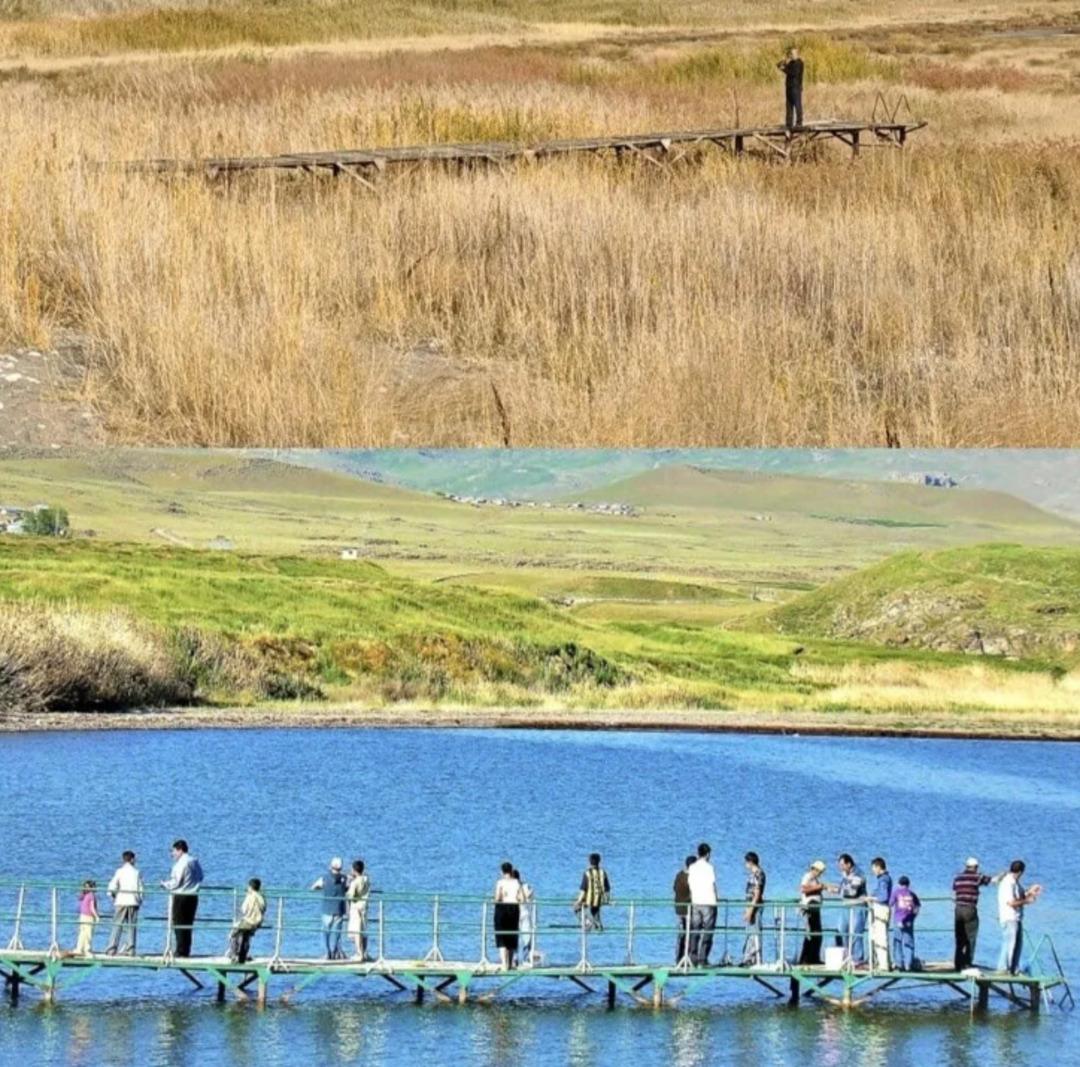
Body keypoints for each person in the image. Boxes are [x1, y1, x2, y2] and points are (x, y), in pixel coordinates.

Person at [953, 857, 1005, 972]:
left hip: (958, 909)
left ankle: (958, 963)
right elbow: (993, 880)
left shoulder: (958, 877)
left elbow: (955, 888)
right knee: (971, 937)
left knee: (960, 937)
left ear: (966, 866)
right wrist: (1002, 875)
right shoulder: (977, 877)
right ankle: (967, 963)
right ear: (976, 867)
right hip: (970, 908)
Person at [997, 860, 1042, 975]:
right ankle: (1005, 969)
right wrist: (1027, 901)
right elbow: (1011, 902)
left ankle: (1012, 968)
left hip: (1016, 918)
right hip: (1009, 917)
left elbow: (1020, 895)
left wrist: (1031, 892)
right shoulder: (1008, 883)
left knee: (1017, 944)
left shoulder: (1015, 883)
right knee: (1010, 944)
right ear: (1021, 872)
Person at [161, 839, 203, 958]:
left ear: (180, 850)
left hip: (181, 895)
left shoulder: (180, 864)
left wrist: (165, 885)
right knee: (188, 923)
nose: (172, 854)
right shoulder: (194, 861)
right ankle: (186, 949)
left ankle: (180, 950)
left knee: (179, 922)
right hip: (193, 895)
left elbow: (177, 882)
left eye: (173, 851)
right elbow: (201, 876)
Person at [105, 850, 144, 957]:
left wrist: (113, 897)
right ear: (132, 859)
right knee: (131, 926)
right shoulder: (136, 872)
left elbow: (112, 887)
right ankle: (130, 949)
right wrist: (140, 900)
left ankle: (111, 948)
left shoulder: (119, 871)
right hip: (133, 901)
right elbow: (140, 889)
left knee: (117, 925)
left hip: (121, 901)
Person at [833, 854, 868, 965]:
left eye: (842, 865)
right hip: (845, 906)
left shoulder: (859, 874)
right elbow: (843, 889)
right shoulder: (845, 874)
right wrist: (834, 889)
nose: (840, 867)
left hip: (858, 906)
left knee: (856, 931)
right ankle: (844, 956)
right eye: (839, 865)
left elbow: (852, 892)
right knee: (841, 930)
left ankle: (857, 958)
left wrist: (838, 890)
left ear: (849, 864)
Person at [687, 842, 718, 967]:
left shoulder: (692, 867)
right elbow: (712, 884)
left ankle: (692, 957)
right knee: (708, 931)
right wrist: (716, 898)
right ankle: (703, 958)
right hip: (708, 902)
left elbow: (690, 884)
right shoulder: (709, 867)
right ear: (708, 854)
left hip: (696, 902)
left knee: (695, 930)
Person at [311, 857, 348, 960]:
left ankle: (327, 952)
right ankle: (335, 951)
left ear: (330, 866)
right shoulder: (345, 878)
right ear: (341, 868)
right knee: (337, 933)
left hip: (327, 909)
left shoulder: (324, 878)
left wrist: (321, 887)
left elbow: (313, 887)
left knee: (325, 932)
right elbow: (347, 888)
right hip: (339, 909)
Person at [228, 878, 266, 964]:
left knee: (233, 933)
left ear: (250, 887)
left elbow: (244, 909)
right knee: (246, 937)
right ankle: (242, 956)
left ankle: (234, 954)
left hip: (249, 921)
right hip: (258, 922)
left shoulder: (250, 896)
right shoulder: (261, 897)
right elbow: (264, 908)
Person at [494, 861, 523, 970]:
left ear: (502, 871)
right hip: (514, 908)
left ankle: (504, 964)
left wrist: (502, 896)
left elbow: (497, 898)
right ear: (511, 871)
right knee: (512, 934)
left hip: (502, 908)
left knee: (501, 936)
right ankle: (510, 963)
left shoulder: (500, 882)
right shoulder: (517, 882)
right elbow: (522, 898)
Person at [888, 876, 921, 971]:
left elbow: (890, 904)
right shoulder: (912, 894)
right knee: (909, 942)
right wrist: (913, 918)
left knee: (897, 941)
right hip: (909, 921)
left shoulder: (896, 892)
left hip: (898, 920)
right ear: (908, 884)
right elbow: (917, 907)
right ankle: (908, 964)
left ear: (899, 884)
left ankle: (899, 963)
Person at [797, 860, 827, 965]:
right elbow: (803, 889)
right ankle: (806, 959)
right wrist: (818, 887)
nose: (820, 873)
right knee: (811, 934)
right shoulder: (808, 876)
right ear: (814, 869)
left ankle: (814, 957)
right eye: (819, 871)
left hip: (815, 908)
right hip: (809, 907)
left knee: (817, 934)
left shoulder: (815, 879)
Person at [573, 853, 611, 932]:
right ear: (599, 861)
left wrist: (578, 901)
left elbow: (583, 890)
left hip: (589, 901)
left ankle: (588, 922)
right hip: (600, 900)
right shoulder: (603, 872)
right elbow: (607, 888)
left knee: (576, 908)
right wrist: (607, 900)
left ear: (589, 862)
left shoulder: (587, 873)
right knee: (595, 912)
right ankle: (597, 924)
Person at [741, 852, 766, 966]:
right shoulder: (753, 874)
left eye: (746, 862)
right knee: (750, 931)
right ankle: (748, 957)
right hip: (750, 904)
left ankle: (754, 958)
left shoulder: (758, 874)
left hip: (755, 906)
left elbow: (757, 894)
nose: (745, 865)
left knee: (755, 931)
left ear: (750, 862)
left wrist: (751, 910)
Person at [869, 857, 893, 970]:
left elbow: (884, 897)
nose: (872, 870)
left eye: (873, 868)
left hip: (881, 909)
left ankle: (883, 965)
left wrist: (872, 898)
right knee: (879, 936)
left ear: (878, 867)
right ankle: (883, 962)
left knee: (881, 936)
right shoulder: (884, 879)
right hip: (882, 908)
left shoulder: (883, 880)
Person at [346, 860, 371, 961]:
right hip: (364, 906)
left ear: (354, 870)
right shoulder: (366, 879)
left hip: (356, 908)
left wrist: (349, 885)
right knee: (364, 930)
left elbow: (351, 896)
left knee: (356, 931)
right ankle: (364, 953)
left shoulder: (354, 883)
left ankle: (358, 953)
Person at [673, 855, 695, 963]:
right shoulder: (691, 878)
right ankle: (687, 956)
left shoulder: (679, 875)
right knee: (688, 933)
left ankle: (679, 957)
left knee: (682, 933)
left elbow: (674, 888)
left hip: (679, 908)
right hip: (688, 909)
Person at [777, 46, 804, 130]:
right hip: (789, 87)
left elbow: (793, 73)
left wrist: (784, 69)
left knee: (797, 105)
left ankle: (799, 122)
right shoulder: (791, 62)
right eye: (790, 54)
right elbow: (778, 65)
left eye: (792, 54)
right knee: (789, 106)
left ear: (797, 54)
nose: (791, 55)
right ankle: (789, 123)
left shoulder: (799, 63)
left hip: (795, 87)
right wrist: (784, 60)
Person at [514, 868, 535, 967]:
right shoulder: (521, 886)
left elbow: (529, 896)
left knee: (526, 936)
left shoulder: (525, 886)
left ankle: (525, 957)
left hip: (523, 913)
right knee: (517, 936)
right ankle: (516, 958)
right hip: (518, 913)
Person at [74, 880, 99, 957]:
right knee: (88, 934)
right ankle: (87, 950)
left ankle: (79, 948)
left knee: (82, 933)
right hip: (89, 916)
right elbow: (92, 908)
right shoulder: (91, 895)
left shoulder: (84, 895)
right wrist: (97, 916)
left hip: (82, 916)